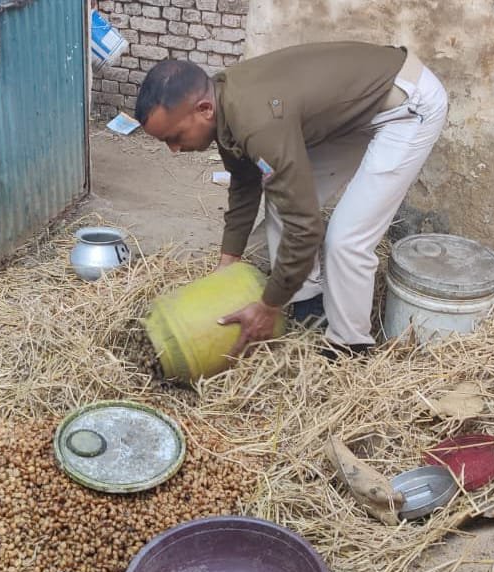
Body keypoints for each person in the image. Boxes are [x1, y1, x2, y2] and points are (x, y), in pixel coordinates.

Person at [134, 41, 448, 359]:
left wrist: (268, 306)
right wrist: (228, 262)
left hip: (408, 106)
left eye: (174, 137)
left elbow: (305, 228)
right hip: (358, 111)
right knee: (281, 200)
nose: (174, 149)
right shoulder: (224, 105)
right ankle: (308, 302)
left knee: (345, 240)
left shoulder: (256, 122)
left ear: (204, 110)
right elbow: (244, 182)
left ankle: (350, 346)